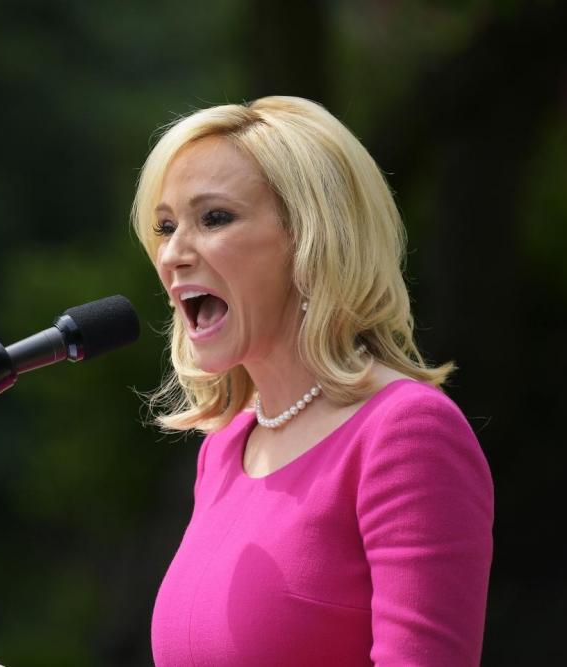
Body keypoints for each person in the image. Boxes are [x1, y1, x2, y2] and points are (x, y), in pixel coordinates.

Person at [134, 96, 493, 666]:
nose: (172, 254)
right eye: (166, 227)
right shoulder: (224, 449)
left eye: (214, 218)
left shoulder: (405, 433)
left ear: (312, 239)